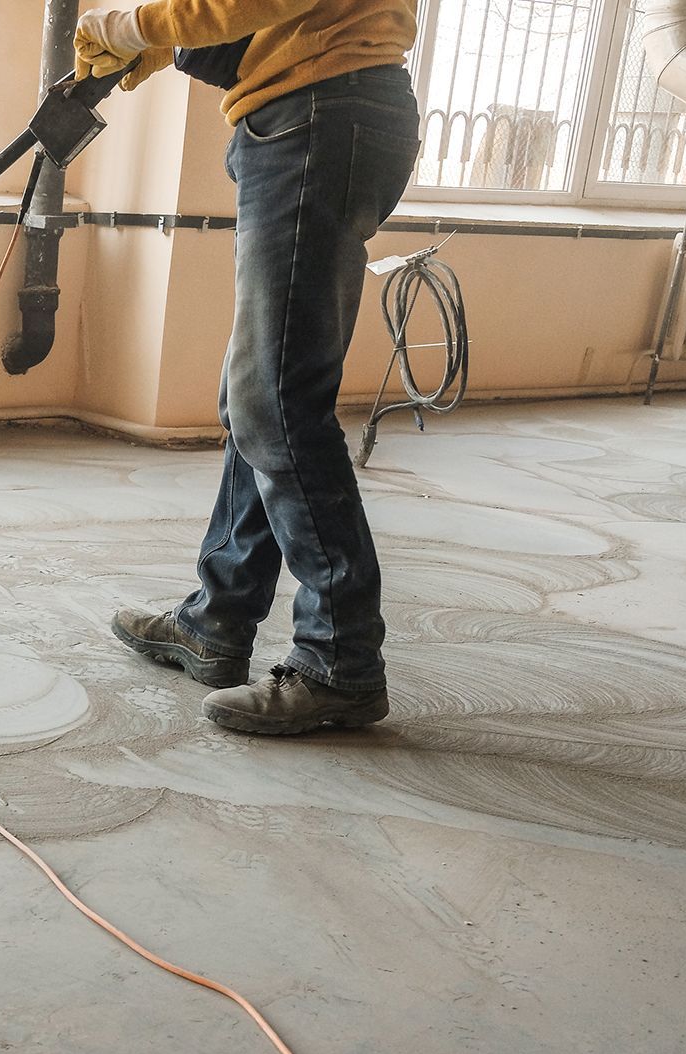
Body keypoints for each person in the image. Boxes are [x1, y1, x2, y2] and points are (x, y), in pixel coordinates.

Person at [73, 0, 421, 735]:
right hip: (316, 113)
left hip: (319, 114)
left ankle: (340, 661)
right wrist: (170, 48)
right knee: (257, 393)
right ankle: (218, 617)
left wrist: (133, 25)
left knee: (278, 402)